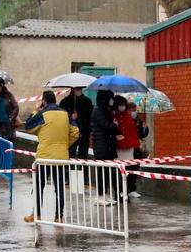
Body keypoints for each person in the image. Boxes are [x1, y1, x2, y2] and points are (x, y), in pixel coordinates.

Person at [23, 90, 79, 223]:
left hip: (44, 158)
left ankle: (36, 214)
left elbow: (28, 126)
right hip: (60, 157)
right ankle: (58, 217)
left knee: (39, 186)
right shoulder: (65, 114)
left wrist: (36, 110)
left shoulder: (43, 114)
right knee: (59, 188)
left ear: (44, 101)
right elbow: (75, 131)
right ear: (55, 100)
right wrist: (64, 144)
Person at [90, 89, 122, 204]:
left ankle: (106, 194)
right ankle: (99, 195)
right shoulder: (98, 111)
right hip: (102, 146)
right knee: (101, 172)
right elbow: (106, 126)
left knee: (108, 172)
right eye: (110, 98)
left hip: (108, 146)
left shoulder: (106, 111)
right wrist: (114, 125)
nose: (111, 101)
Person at [115, 94, 142, 198]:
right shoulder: (115, 116)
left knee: (130, 170)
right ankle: (121, 191)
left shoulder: (129, 117)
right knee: (120, 171)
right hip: (120, 148)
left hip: (130, 147)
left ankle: (128, 189)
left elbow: (133, 133)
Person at [59, 86, 93, 160]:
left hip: (84, 133)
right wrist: (71, 117)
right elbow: (61, 117)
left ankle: (84, 171)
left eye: (80, 89)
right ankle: (70, 171)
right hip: (70, 133)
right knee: (70, 156)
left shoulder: (87, 101)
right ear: (72, 89)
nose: (79, 90)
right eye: (77, 89)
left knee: (83, 157)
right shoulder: (65, 102)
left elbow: (90, 118)